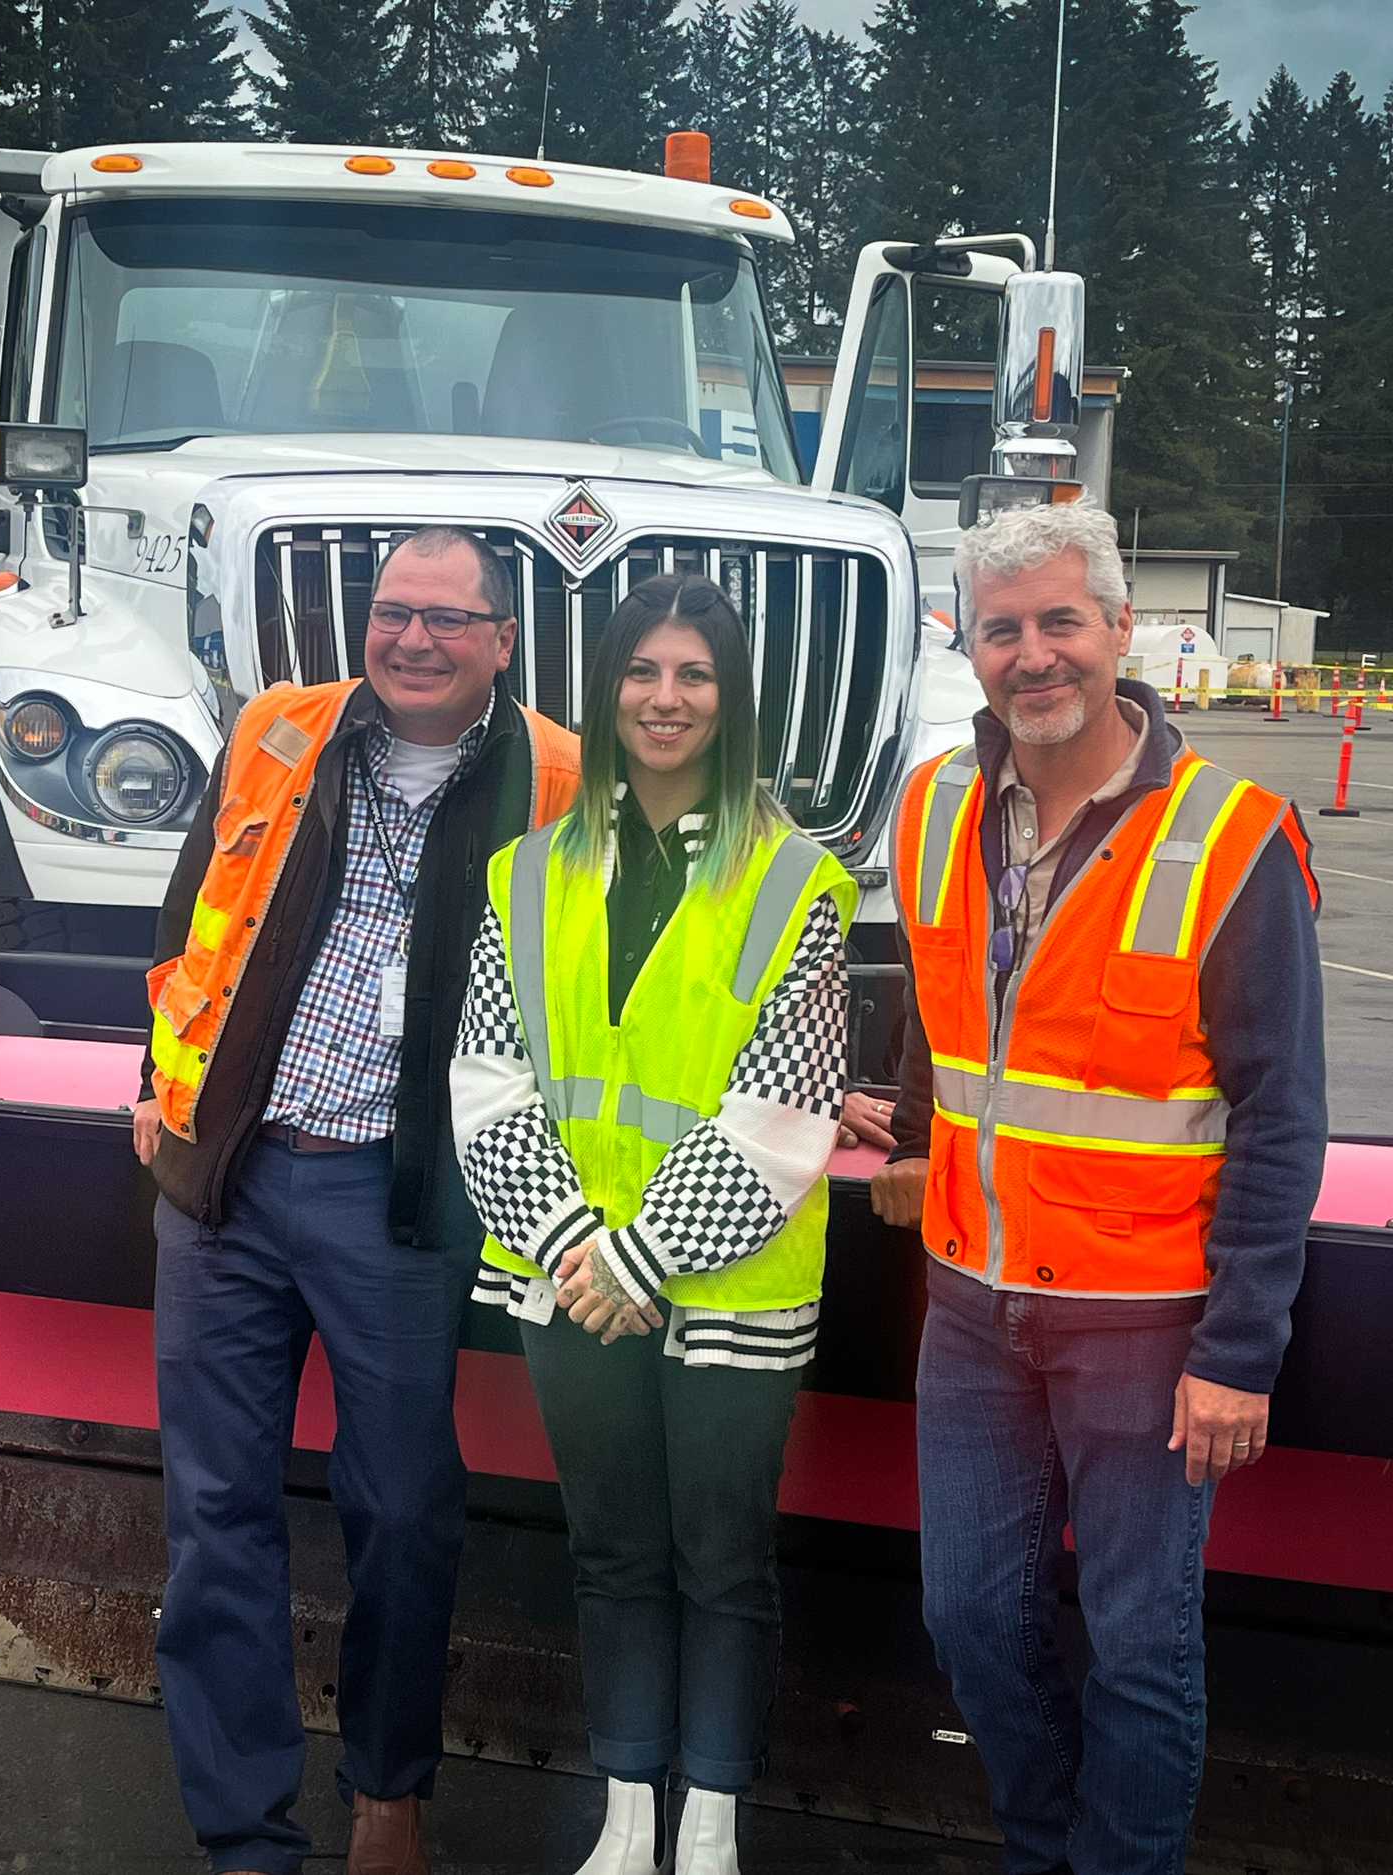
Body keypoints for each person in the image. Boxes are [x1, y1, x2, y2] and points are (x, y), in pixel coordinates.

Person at [870, 501, 1326, 1875]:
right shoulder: (935, 801)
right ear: (971, 644)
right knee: (968, 1617)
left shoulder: (1231, 838)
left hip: (1148, 1319)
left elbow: (1282, 1112)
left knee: (1139, 1642)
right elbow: (940, 1007)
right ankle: (1046, 1844)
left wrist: (1239, 1348)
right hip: (970, 1306)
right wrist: (903, 1128)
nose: (1033, 655)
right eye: (1002, 629)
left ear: (1122, 633)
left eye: (1062, 621)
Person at [136, 525, 581, 1875]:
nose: (415, 639)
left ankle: (389, 1788)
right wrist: (157, 1088)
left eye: (450, 618)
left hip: (398, 1200)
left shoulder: (560, 776)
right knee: (213, 1512)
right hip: (229, 1177)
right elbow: (187, 926)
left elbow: (668, 941)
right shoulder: (281, 731)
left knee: (401, 1505)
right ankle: (244, 1833)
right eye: (395, 612)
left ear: (502, 641)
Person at [450, 574, 857, 1875]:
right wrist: (583, 1246)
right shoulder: (525, 875)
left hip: (728, 1288)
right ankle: (630, 1816)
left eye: (694, 673)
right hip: (573, 1280)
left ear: (733, 701)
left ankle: (713, 1827)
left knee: (722, 1559)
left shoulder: (800, 882)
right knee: (613, 1550)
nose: (665, 697)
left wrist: (633, 1255)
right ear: (608, 688)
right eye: (641, 671)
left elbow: (783, 1116)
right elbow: (486, 1083)